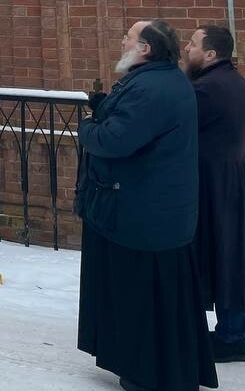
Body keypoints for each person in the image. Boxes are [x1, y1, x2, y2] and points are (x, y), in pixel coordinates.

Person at [75, 19, 218, 391]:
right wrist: (107, 107)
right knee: (154, 299)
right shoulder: (161, 80)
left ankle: (148, 373)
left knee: (142, 299)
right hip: (154, 209)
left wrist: (87, 126)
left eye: (130, 37)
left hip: (142, 213)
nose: (123, 41)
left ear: (145, 49)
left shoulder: (152, 86)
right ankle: (155, 368)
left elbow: (116, 140)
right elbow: (137, 123)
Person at [183, 24, 245, 363]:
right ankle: (243, 332)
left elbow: (173, 121)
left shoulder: (208, 88)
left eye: (192, 43)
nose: (186, 49)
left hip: (216, 183)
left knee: (225, 254)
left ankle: (234, 336)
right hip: (232, 179)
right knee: (235, 254)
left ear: (210, 53)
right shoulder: (232, 81)